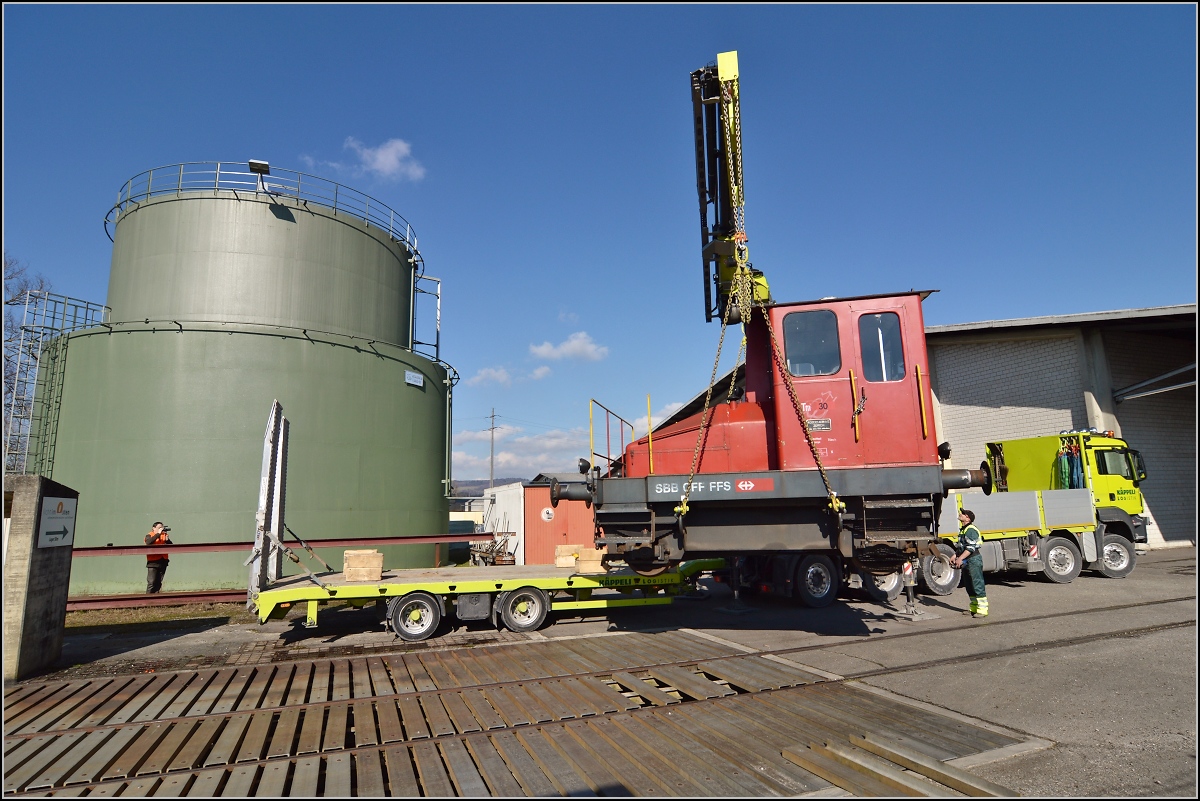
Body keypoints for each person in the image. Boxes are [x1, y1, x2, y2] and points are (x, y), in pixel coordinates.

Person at [951, 509, 988, 617]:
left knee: (977, 584)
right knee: (969, 585)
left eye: (963, 514)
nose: (960, 514)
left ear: (968, 518)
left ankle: (982, 610)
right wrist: (955, 555)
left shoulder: (970, 530)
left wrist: (960, 559)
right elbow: (962, 546)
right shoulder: (964, 529)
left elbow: (971, 548)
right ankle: (974, 608)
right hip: (968, 559)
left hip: (973, 559)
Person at [145, 522, 172, 593]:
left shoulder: (164, 535)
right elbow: (148, 542)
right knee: (151, 582)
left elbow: (172, 547)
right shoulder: (149, 535)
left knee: (158, 582)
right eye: (159, 527)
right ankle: (148, 597)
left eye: (162, 527)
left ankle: (156, 597)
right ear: (153, 528)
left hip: (163, 561)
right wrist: (158, 534)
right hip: (153, 562)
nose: (161, 529)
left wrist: (168, 541)